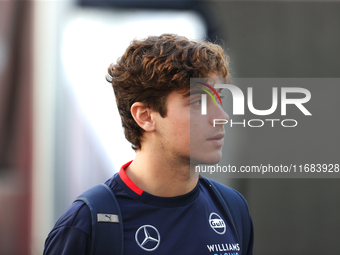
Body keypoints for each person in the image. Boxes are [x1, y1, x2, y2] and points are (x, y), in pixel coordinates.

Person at [43, 34, 253, 255]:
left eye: (219, 98)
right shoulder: (88, 223)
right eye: (198, 102)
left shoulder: (232, 207)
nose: (222, 116)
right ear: (145, 116)